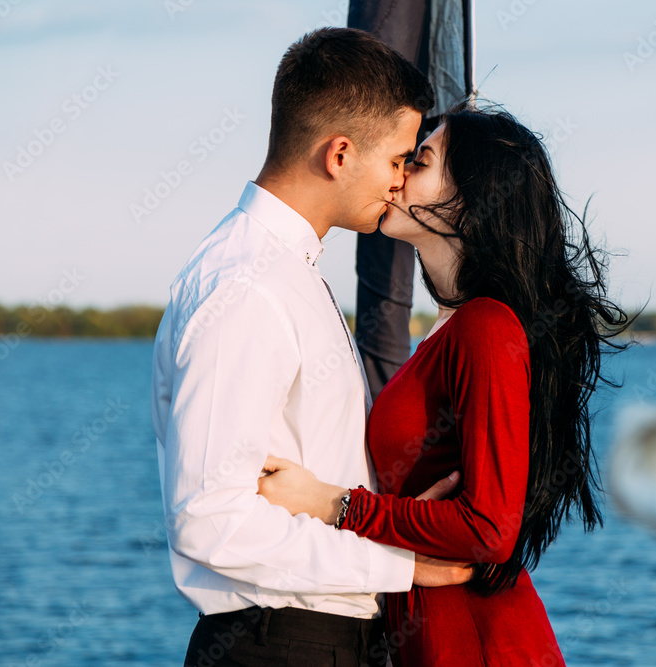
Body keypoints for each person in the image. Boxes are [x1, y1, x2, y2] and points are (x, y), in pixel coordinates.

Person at [257, 101, 636, 666]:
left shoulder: (486, 327)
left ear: (468, 200)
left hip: (479, 639)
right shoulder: (449, 330)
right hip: (432, 632)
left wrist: (331, 503)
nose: (399, 172)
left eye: (422, 160)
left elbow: (489, 528)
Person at [150, 28, 471, 667]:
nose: (402, 181)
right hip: (279, 645)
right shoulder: (247, 286)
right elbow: (208, 517)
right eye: (399, 159)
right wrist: (401, 561)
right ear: (340, 153)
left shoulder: (281, 272)